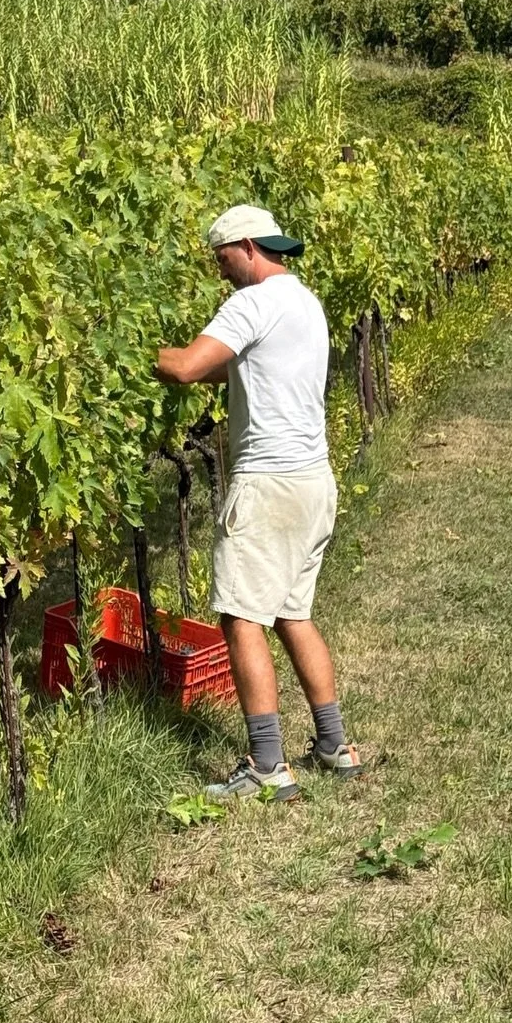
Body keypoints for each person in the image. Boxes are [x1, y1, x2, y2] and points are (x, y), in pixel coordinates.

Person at [154, 204, 362, 802]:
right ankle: (334, 745)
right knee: (294, 613)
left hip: (267, 485)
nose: (221, 273)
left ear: (246, 247)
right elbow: (248, 369)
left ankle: (267, 764)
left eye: (222, 260)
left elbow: (191, 367)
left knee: (242, 617)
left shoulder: (250, 303)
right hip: (314, 481)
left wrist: (134, 353)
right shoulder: (305, 302)